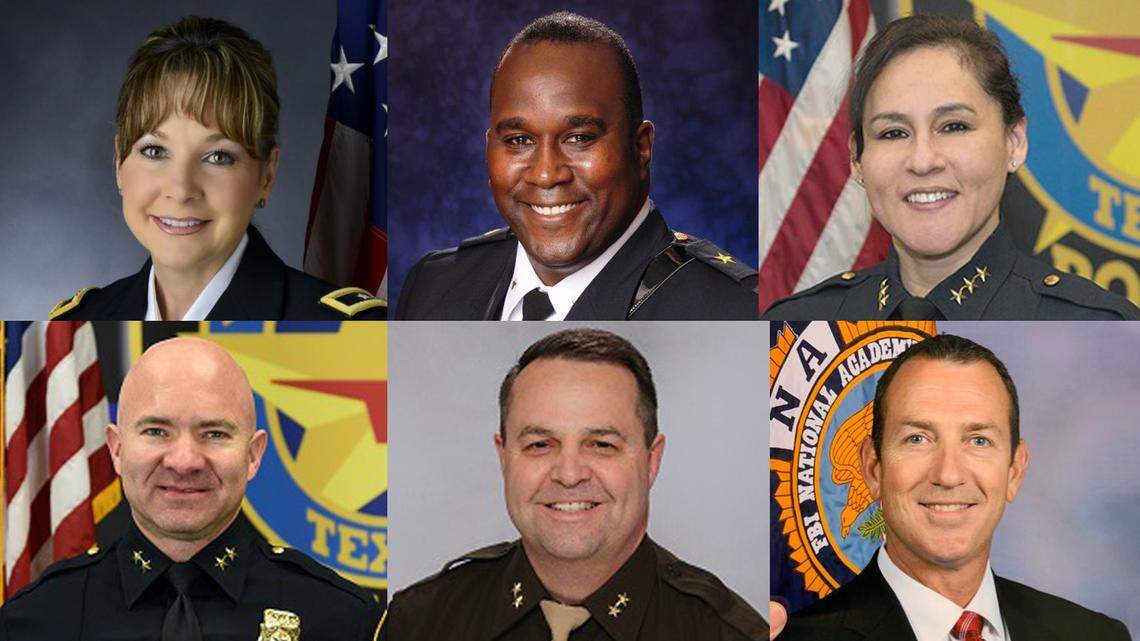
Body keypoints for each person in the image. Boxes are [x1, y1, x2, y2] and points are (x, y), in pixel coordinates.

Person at [381, 328, 767, 639]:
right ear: (504, 458)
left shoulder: (728, 633)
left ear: (652, 461)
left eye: (601, 445)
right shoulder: (418, 622)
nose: (568, 474)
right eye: (539, 445)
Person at [0, 338, 382, 640]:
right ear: (116, 450)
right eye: (156, 431)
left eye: (214, 433)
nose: (184, 461)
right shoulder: (33, 621)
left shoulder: (344, 620)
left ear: (253, 455)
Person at [762, 15, 1137, 320]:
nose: (923, 160)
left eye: (954, 126)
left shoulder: (1105, 330)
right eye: (893, 133)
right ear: (857, 160)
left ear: (1014, 142)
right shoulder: (792, 328)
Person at [395, 12, 758, 320]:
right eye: (519, 141)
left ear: (641, 147)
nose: (546, 174)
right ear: (490, 147)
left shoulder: (736, 313)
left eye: (579, 138)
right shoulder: (433, 286)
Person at [779, 334, 1131, 641]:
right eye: (917, 438)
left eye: (978, 441)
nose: (948, 475)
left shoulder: (1096, 635)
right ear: (873, 468)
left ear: (1015, 470)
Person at [48, 16, 385, 320]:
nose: (180, 190)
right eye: (154, 150)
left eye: (218, 157)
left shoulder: (352, 333)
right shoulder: (76, 325)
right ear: (119, 160)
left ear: (266, 175)